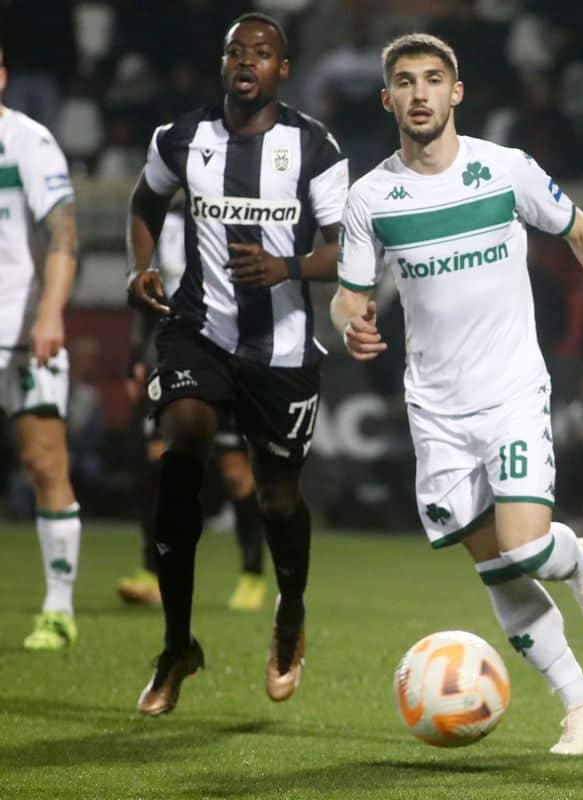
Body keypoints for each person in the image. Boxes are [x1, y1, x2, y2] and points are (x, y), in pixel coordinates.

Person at [331, 33, 583, 755]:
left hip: (511, 390)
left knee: (525, 547)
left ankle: (579, 562)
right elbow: (349, 294)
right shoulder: (370, 197)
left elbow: (581, 232)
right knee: (495, 566)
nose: (419, 93)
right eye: (404, 82)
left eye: (433, 79)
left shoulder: (504, 169)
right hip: (435, 410)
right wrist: (351, 323)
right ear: (386, 98)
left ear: (456, 92)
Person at [125, 13, 348, 715]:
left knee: (277, 498)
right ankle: (176, 646)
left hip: (281, 350)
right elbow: (144, 201)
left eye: (263, 52)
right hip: (199, 331)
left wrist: (289, 267)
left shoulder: (313, 146)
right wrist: (139, 267)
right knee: (182, 448)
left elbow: (346, 248)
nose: (247, 60)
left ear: (284, 69)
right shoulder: (182, 137)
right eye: (235, 51)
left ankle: (289, 614)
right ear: (222, 64)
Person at [116, 208, 269, 612]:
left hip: (230, 355)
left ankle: (252, 574)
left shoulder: (236, 210)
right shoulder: (163, 223)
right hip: (174, 353)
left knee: (235, 470)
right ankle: (152, 572)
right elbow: (151, 290)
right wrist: (136, 357)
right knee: (158, 463)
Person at [0, 46, 84, 652]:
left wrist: (51, 312)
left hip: (21, 327)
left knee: (44, 463)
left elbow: (63, 233)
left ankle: (58, 607)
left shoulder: (27, 141)